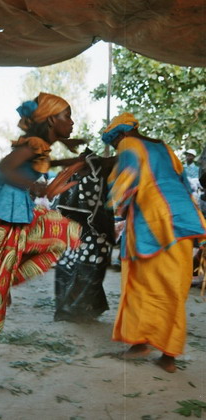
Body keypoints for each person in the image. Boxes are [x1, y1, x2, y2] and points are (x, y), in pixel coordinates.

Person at [0, 92, 85, 396]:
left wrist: (69, 157)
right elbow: (5, 170)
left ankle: (3, 278)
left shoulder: (40, 146)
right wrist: (37, 184)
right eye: (68, 116)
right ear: (52, 119)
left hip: (9, 214)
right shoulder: (31, 145)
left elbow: (38, 162)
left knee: (65, 234)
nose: (73, 122)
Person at [102, 112, 206, 374]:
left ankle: (141, 343)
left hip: (152, 224)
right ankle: (165, 354)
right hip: (182, 221)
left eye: (114, 143)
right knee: (173, 288)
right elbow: (181, 181)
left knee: (138, 283)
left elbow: (123, 184)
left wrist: (116, 210)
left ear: (121, 135)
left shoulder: (128, 144)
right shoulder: (164, 146)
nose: (116, 148)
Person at [53, 148, 116, 322]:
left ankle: (80, 309)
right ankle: (76, 309)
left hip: (95, 233)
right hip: (80, 234)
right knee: (73, 269)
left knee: (89, 270)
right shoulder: (75, 180)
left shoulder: (94, 179)